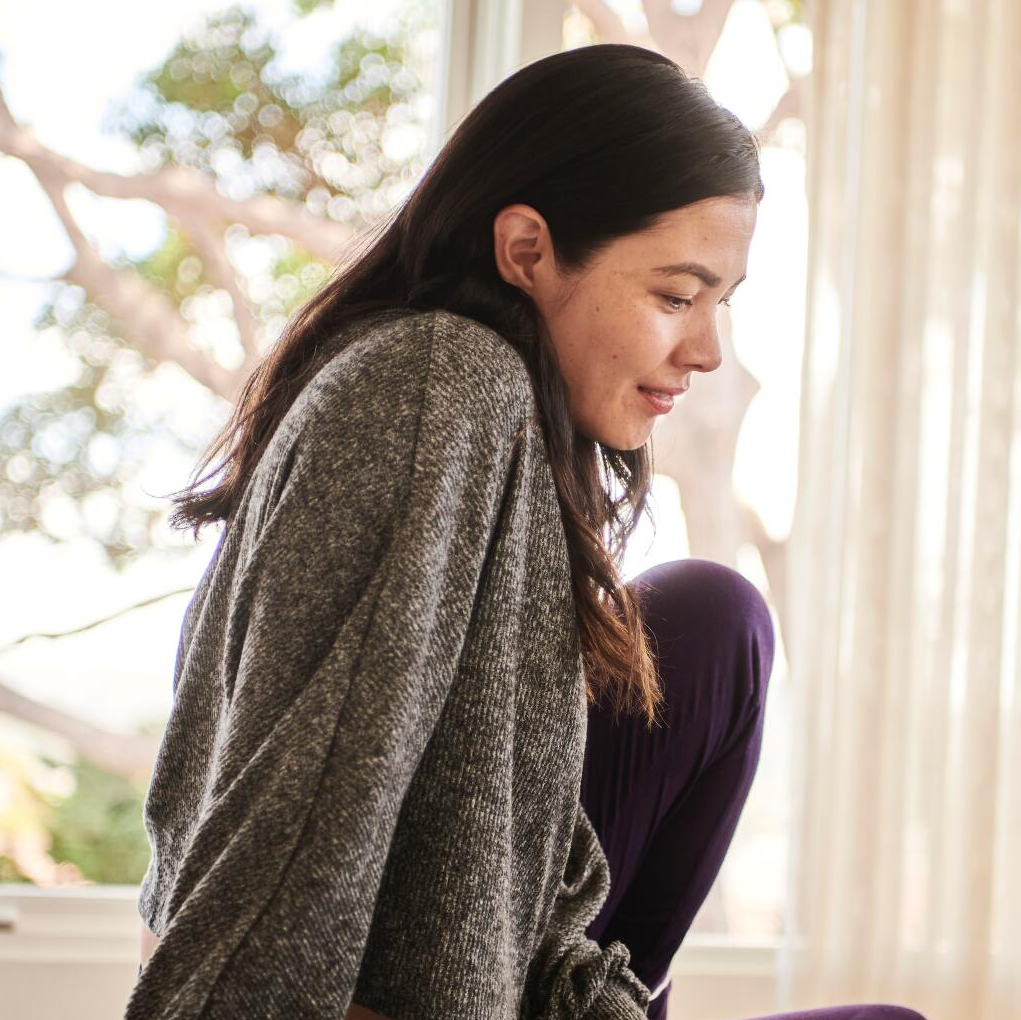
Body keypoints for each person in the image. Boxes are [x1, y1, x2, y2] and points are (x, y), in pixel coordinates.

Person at [126, 42, 927, 1020]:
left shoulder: (466, 398)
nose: (708, 351)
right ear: (526, 251)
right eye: (675, 296)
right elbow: (293, 837)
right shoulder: (435, 383)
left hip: (490, 959)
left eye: (718, 303)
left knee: (709, 625)